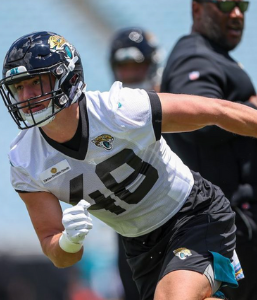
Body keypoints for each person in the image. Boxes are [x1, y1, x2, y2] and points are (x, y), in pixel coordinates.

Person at [0, 31, 257, 300]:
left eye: (35, 83)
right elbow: (59, 253)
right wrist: (69, 242)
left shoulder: (120, 110)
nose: (26, 97)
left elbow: (216, 111)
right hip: (140, 247)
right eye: (18, 87)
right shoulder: (25, 160)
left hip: (194, 214)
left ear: (68, 77)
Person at [160, 1, 257, 299]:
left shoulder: (212, 57)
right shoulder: (195, 57)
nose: (236, 13)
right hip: (234, 226)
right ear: (197, 9)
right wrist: (254, 109)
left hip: (235, 226)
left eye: (242, 4)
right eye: (224, 3)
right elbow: (199, 123)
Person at [109, 27, 163, 300]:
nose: (129, 75)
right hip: (132, 232)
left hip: (179, 223)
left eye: (136, 66)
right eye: (123, 66)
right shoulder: (107, 116)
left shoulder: (173, 108)